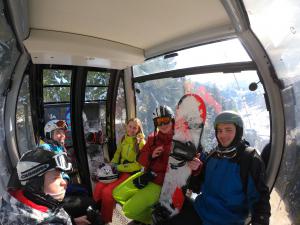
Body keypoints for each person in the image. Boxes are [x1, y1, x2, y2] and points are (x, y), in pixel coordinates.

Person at [166, 111, 271, 225]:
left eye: (228, 130)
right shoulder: (214, 155)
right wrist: (197, 170)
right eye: (219, 130)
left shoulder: (249, 159)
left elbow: (259, 200)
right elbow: (197, 186)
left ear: (238, 131)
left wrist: (260, 221)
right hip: (200, 211)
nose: (223, 135)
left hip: (226, 220)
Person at [113, 105, 175, 225]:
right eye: (159, 121)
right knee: (117, 194)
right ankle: (147, 211)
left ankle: (152, 221)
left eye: (165, 120)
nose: (162, 125)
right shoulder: (152, 138)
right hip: (146, 175)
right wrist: (151, 155)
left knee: (127, 210)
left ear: (172, 119)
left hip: (161, 183)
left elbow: (179, 170)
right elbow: (141, 159)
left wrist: (154, 175)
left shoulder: (178, 141)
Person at [41, 119, 102, 225]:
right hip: (52, 195)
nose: (62, 135)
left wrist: (65, 177)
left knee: (84, 190)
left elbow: (61, 170)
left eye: (63, 132)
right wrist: (64, 178)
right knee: (88, 201)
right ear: (49, 134)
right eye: (58, 133)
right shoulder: (45, 149)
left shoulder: (58, 147)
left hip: (60, 185)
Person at [93, 118, 146, 224]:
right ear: (126, 126)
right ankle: (95, 210)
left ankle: (105, 220)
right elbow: (117, 154)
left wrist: (118, 168)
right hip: (119, 169)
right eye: (130, 126)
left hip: (130, 173)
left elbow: (138, 165)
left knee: (107, 192)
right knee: (99, 186)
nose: (131, 129)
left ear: (138, 129)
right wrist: (111, 165)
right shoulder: (123, 139)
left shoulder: (141, 143)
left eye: (134, 128)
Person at [0, 148, 73, 224]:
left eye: (61, 176)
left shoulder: (34, 202)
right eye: (56, 178)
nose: (64, 182)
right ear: (35, 184)